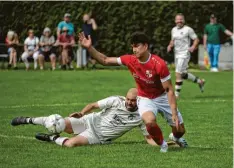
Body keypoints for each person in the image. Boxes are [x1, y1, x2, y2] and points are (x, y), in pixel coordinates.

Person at [78, 31, 188, 152]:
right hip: (145, 98)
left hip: (162, 97)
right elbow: (105, 60)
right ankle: (163, 144)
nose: (134, 49)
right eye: (132, 46)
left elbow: (169, 90)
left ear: (145, 46)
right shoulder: (130, 60)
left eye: (137, 45)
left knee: (180, 130)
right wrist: (89, 47)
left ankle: (175, 137)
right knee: (149, 121)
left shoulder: (159, 64)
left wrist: (173, 113)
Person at [11, 88, 160, 147]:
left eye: (132, 100)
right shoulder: (116, 100)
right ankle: (27, 120)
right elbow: (93, 105)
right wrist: (82, 114)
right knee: (59, 123)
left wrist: (163, 144)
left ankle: (51, 138)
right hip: (89, 120)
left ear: (138, 101)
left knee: (70, 144)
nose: (129, 102)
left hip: (97, 136)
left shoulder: (141, 116)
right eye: (128, 99)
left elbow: (148, 138)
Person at [167, 13, 205, 99]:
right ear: (175, 21)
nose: (179, 21)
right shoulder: (173, 30)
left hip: (184, 54)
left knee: (178, 73)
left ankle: (176, 95)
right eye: (178, 19)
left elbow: (196, 39)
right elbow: (172, 40)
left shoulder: (188, 29)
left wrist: (193, 47)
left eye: (181, 19)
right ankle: (200, 81)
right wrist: (170, 45)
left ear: (184, 20)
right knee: (183, 74)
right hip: (176, 54)